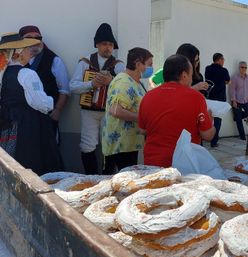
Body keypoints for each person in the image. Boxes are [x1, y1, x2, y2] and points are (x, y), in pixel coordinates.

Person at [0, 32, 62, 175]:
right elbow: (39, 103)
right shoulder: (27, 74)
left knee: (12, 161)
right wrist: (50, 102)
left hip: (8, 124)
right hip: (29, 125)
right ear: (19, 53)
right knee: (33, 163)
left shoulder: (4, 73)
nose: (30, 52)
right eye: (26, 49)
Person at [138, 54, 215, 167]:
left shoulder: (148, 96)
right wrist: (211, 121)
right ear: (184, 75)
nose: (192, 78)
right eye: (191, 74)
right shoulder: (196, 97)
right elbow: (207, 135)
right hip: (184, 166)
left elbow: (142, 130)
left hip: (153, 165)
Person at [70, 23, 125, 175]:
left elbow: (126, 90)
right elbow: (73, 87)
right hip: (89, 111)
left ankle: (107, 178)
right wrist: (91, 84)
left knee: (110, 144)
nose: (108, 47)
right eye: (104, 44)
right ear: (97, 45)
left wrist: (111, 82)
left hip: (110, 112)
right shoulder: (85, 62)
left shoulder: (119, 66)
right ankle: (92, 178)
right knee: (87, 145)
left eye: (110, 44)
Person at [101, 47, 153, 173]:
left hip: (129, 143)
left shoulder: (136, 82)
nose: (151, 68)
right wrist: (142, 118)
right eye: (149, 65)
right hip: (120, 146)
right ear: (138, 64)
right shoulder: (124, 82)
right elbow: (116, 111)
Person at [19, 25, 70, 147]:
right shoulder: (16, 61)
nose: (34, 40)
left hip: (47, 115)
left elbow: (65, 90)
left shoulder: (54, 60)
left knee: (49, 149)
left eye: (38, 37)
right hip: (23, 117)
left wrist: (57, 110)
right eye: (29, 38)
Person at [205, 52, 230, 147]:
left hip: (210, 97)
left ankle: (206, 137)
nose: (223, 61)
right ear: (219, 60)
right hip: (220, 99)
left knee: (208, 118)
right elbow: (228, 81)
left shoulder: (208, 68)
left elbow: (207, 79)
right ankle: (214, 141)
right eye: (223, 59)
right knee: (217, 120)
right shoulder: (224, 70)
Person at [229, 61, 248, 140]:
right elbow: (232, 89)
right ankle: (243, 137)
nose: (244, 69)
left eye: (245, 67)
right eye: (242, 67)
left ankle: (236, 117)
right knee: (239, 121)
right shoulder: (235, 78)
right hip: (237, 101)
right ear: (239, 68)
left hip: (246, 101)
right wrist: (234, 100)